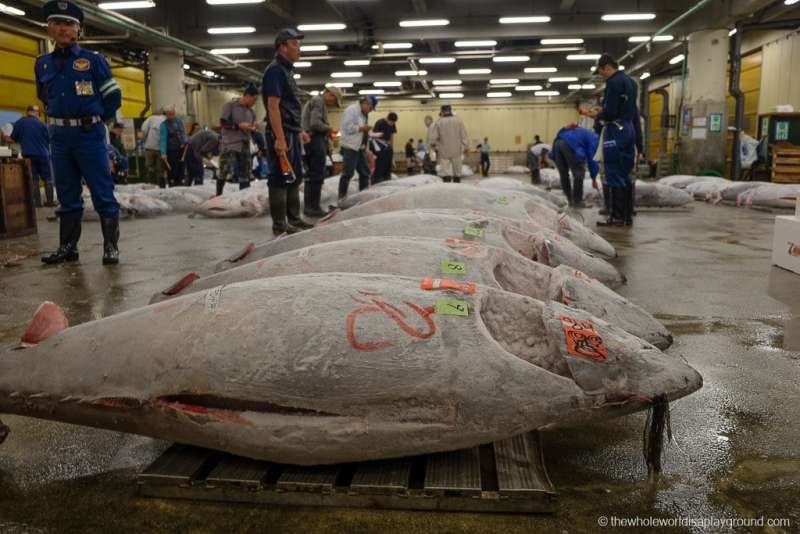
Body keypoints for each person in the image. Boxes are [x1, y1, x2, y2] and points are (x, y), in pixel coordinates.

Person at [36, 1, 122, 265]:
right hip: (59, 137)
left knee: (102, 192)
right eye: (56, 23)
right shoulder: (42, 64)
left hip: (89, 135)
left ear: (78, 29)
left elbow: (113, 97)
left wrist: (94, 122)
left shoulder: (94, 61)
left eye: (68, 24)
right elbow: (44, 97)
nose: (62, 29)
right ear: (49, 27)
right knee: (66, 194)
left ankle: (110, 247)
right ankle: (68, 248)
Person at [263, 29, 314, 235]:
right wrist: (280, 138)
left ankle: (294, 219)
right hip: (281, 132)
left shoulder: (287, 71)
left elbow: (289, 105)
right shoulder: (275, 70)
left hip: (291, 131)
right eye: (294, 44)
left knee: (294, 176)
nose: (298, 48)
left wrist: (299, 130)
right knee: (279, 177)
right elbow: (273, 107)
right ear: (282, 47)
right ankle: (280, 225)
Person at [584, 53, 643, 227]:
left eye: (602, 72)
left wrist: (598, 113)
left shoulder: (613, 82)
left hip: (615, 130)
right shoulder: (631, 82)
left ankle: (616, 216)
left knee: (614, 172)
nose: (602, 76)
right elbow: (629, 110)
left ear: (607, 67)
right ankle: (626, 216)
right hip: (629, 129)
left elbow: (610, 112)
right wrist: (640, 145)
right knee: (625, 174)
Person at [301, 85, 342, 217]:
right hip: (314, 140)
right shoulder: (319, 101)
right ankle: (313, 207)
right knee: (317, 174)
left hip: (311, 140)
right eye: (333, 100)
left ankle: (310, 206)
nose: (332, 104)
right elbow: (315, 123)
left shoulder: (317, 101)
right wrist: (329, 129)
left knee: (312, 175)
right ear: (329, 94)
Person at [7, 105, 55, 207]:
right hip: (43, 155)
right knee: (47, 178)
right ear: (34, 112)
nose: (38, 114)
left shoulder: (20, 123)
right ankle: (50, 202)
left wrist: (7, 138)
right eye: (38, 112)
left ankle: (37, 203)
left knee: (34, 179)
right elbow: (50, 140)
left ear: (27, 112)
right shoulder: (43, 124)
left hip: (28, 155)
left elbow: (13, 138)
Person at [219, 83, 259, 195]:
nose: (255, 102)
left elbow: (253, 125)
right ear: (247, 96)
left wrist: (253, 127)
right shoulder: (230, 105)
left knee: (245, 173)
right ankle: (218, 195)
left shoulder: (252, 111)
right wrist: (238, 126)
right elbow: (223, 122)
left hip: (244, 144)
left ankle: (244, 197)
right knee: (224, 171)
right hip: (230, 144)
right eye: (254, 99)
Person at [552, 124, 600, 208]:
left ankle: (570, 200)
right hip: (569, 145)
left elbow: (563, 130)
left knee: (563, 175)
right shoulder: (594, 138)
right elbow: (592, 158)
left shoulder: (583, 131)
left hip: (557, 142)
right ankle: (577, 202)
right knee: (579, 173)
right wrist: (593, 177)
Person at [339, 95, 375, 200]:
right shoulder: (352, 110)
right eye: (370, 108)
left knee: (365, 172)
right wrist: (362, 128)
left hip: (360, 147)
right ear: (365, 104)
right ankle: (341, 198)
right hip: (350, 146)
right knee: (348, 173)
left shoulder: (363, 114)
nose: (370, 111)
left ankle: (362, 197)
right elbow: (347, 128)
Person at [429, 104, 469, 183]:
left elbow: (433, 138)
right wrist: (466, 147)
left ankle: (447, 186)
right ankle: (457, 185)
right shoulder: (458, 121)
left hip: (444, 151)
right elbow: (464, 135)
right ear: (451, 110)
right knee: (457, 170)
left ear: (442, 111)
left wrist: (433, 147)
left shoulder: (439, 122)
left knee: (445, 171)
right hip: (457, 150)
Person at [159, 105, 187, 188]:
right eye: (169, 114)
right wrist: (163, 153)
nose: (171, 115)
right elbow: (163, 139)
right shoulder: (163, 125)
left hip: (181, 149)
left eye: (172, 113)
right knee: (172, 168)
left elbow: (183, 133)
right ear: (166, 115)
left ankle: (181, 182)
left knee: (181, 167)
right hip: (171, 150)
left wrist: (184, 142)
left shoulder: (179, 122)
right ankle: (172, 183)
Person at [139, 108, 166, 187]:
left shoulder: (151, 119)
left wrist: (144, 140)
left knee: (150, 168)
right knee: (161, 170)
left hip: (150, 148)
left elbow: (143, 130)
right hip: (161, 150)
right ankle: (161, 187)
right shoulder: (167, 121)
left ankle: (152, 186)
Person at [370, 111, 397, 185]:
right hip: (378, 144)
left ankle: (387, 176)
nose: (392, 124)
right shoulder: (379, 122)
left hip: (387, 145)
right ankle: (377, 178)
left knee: (388, 161)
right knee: (381, 161)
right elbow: (374, 136)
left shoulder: (393, 124)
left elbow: (391, 135)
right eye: (391, 122)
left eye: (393, 123)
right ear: (387, 119)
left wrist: (391, 146)